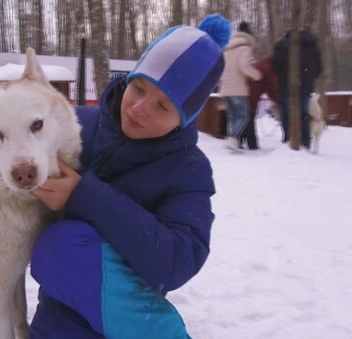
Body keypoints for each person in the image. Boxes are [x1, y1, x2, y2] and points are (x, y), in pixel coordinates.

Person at [28, 14, 231, 339]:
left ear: (184, 118)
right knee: (57, 249)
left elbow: (176, 262)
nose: (139, 108)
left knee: (60, 243)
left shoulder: (188, 169)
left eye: (163, 105)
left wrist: (84, 197)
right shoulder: (75, 125)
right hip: (58, 310)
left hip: (130, 319)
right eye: (138, 88)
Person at [271, 29, 322, 149]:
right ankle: (305, 141)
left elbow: (275, 66)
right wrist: (309, 78)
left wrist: (282, 75)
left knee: (287, 113)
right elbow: (319, 68)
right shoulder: (312, 46)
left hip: (286, 85)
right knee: (303, 112)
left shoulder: (282, 46)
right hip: (305, 86)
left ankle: (288, 140)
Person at [219, 21, 262, 151]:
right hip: (237, 89)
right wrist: (257, 75)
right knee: (244, 116)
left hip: (225, 89)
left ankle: (233, 141)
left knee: (233, 117)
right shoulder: (244, 48)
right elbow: (243, 66)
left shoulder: (227, 48)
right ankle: (232, 139)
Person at [239, 55, 280, 150]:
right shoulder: (268, 69)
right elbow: (271, 89)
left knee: (244, 117)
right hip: (251, 94)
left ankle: (240, 140)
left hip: (241, 92)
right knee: (250, 118)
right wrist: (279, 101)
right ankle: (252, 144)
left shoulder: (260, 65)